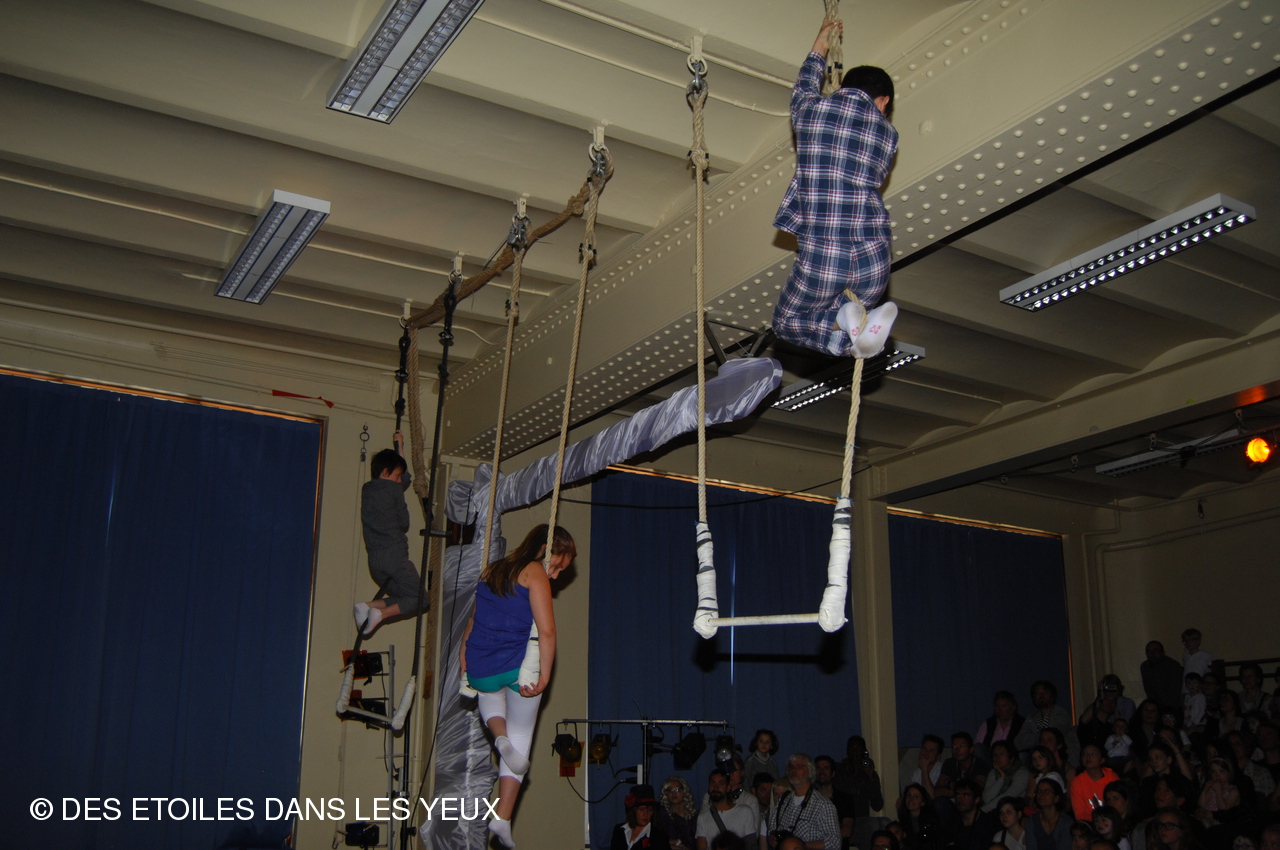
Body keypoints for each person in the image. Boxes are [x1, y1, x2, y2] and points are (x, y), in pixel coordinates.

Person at [772, 19, 899, 359]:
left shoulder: (812, 111)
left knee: (786, 323)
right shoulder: (888, 134)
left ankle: (846, 320)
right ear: (883, 102)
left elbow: (804, 85)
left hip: (825, 252)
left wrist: (821, 44)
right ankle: (852, 323)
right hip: (873, 254)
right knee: (849, 324)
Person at [461, 524, 575, 848]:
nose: (555, 575)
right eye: (557, 565)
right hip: (516, 669)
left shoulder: (491, 570)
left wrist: (463, 656)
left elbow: (473, 620)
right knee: (522, 733)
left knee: (489, 698)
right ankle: (503, 817)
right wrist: (545, 677)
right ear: (544, 549)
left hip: (480, 667)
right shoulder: (535, 573)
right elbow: (547, 631)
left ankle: (499, 738)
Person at [354, 431, 426, 635]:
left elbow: (402, 477)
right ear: (386, 472)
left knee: (405, 598)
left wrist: (399, 447)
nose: (400, 480)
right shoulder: (393, 490)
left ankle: (367, 606)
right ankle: (381, 614)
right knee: (422, 599)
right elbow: (404, 522)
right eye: (397, 476)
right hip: (394, 557)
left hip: (375, 562)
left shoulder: (367, 490)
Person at [766, 754, 842, 850]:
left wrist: (802, 845)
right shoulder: (784, 800)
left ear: (810, 772)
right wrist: (772, 837)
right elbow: (772, 828)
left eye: (799, 767)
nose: (794, 770)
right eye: (791, 767)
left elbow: (835, 843)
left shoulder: (823, 805)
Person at [699, 768, 759, 848]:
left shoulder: (745, 812)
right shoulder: (703, 817)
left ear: (728, 787)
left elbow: (751, 845)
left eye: (721, 784)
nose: (716, 787)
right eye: (713, 783)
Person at [613, 784, 672, 850]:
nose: (646, 814)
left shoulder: (659, 836)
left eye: (650, 810)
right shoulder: (619, 831)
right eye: (642, 809)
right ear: (633, 811)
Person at [1070, 745, 1120, 822]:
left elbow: (1119, 806)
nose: (1088, 757)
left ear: (1102, 760)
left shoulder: (1111, 777)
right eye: (1084, 754)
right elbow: (1080, 815)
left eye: (1093, 754)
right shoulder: (1077, 781)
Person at [983, 740, 1031, 814]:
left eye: (1001, 754)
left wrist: (982, 811)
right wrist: (1001, 779)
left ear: (1011, 758)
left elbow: (1008, 796)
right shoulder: (993, 773)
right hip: (992, 810)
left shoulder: (1022, 773)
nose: (997, 758)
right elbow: (986, 798)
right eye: (995, 755)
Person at [1027, 779, 1075, 850]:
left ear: (1056, 798)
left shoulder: (1066, 823)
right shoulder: (1032, 822)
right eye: (1039, 791)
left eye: (1047, 791)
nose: (1041, 794)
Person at [1142, 642, 1185, 719]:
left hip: (1173, 707)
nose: (1152, 654)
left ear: (1163, 652)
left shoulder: (1173, 666)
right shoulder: (1145, 666)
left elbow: (1175, 691)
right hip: (1155, 708)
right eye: (1149, 651)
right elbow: (1148, 689)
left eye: (1156, 651)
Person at [978, 692, 1028, 759]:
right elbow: (979, 745)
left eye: (1003, 706)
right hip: (991, 760)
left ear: (1013, 708)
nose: (999, 710)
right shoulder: (989, 724)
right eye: (997, 706)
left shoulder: (1022, 723)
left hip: (1013, 759)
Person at [661, 776, 699, 850]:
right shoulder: (663, 816)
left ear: (684, 791)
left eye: (677, 789)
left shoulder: (695, 817)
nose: (674, 793)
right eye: (670, 790)